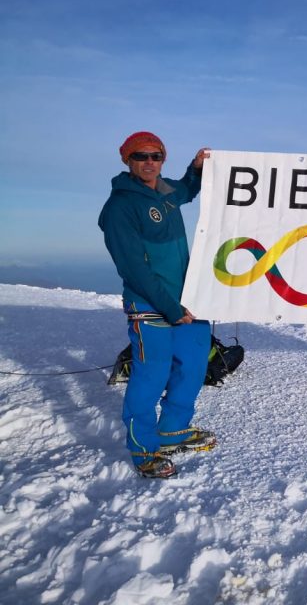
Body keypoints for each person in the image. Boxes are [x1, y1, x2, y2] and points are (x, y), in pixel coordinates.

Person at [98, 131, 215, 478]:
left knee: (192, 368)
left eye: (156, 156)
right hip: (151, 306)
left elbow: (186, 190)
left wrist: (195, 169)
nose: (149, 162)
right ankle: (144, 450)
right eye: (140, 156)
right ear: (127, 160)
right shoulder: (120, 206)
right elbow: (134, 270)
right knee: (150, 377)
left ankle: (172, 431)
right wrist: (171, 308)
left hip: (187, 302)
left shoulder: (163, 192)